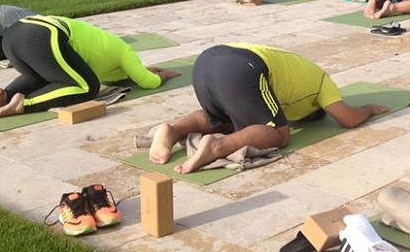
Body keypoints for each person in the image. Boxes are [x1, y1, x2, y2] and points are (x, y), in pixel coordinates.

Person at [148, 43, 390, 173]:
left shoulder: (299, 70)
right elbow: (347, 118)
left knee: (221, 118)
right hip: (242, 67)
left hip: (206, 61)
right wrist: (368, 108)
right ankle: (218, 145)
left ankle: (172, 130)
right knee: (279, 133)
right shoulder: (322, 82)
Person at [0, 15, 180, 119]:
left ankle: (6, 94)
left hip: (13, 37)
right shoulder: (126, 52)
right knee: (88, 87)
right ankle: (24, 104)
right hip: (42, 35)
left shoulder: (106, 51)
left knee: (49, 76)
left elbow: (121, 78)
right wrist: (163, 75)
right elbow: (148, 82)